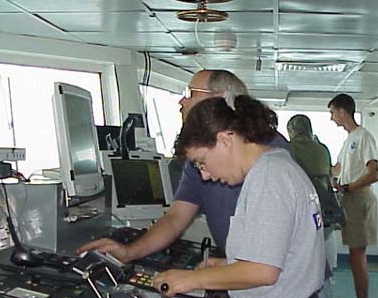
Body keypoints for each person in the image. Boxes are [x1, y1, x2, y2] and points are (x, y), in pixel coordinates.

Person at [154, 95, 350, 298]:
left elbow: (262, 271)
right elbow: (277, 254)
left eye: (202, 161)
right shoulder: (277, 167)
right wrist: (228, 266)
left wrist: (189, 278)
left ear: (226, 140)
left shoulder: (269, 178)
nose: (204, 175)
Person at [77, 69, 291, 259]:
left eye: (191, 94)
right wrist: (130, 252)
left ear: (218, 99)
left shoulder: (270, 155)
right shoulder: (201, 155)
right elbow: (176, 217)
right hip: (245, 270)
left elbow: (270, 261)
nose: (182, 102)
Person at [328, 93, 378, 298]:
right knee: (354, 257)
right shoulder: (350, 140)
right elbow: (336, 168)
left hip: (359, 200)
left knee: (358, 258)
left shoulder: (364, 137)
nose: (331, 118)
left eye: (332, 113)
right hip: (349, 199)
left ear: (342, 112)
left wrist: (348, 187)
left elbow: (373, 174)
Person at [287, 114, 338, 298]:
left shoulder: (289, 150)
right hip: (325, 210)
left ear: (292, 131)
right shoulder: (322, 149)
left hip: (302, 210)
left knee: (302, 259)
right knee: (323, 257)